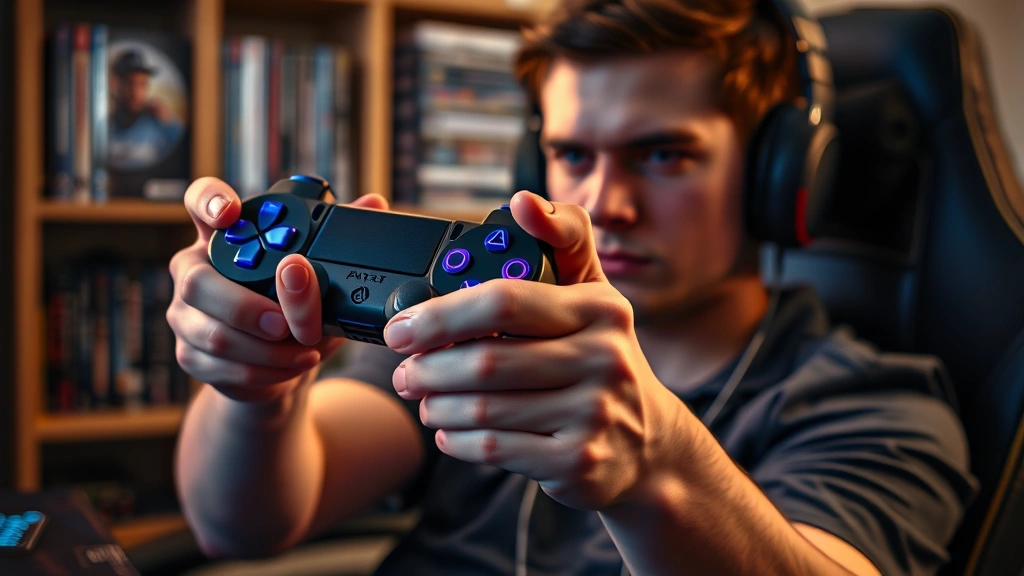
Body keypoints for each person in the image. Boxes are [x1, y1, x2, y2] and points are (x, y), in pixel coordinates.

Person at [169, 0, 977, 574]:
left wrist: (658, 468)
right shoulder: (465, 326)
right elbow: (239, 527)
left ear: (777, 178)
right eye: (572, 155)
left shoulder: (874, 408)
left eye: (664, 155)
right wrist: (257, 390)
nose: (604, 203)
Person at [109, 49, 183, 170]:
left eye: (142, 84)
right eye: (130, 83)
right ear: (116, 84)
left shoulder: (160, 126)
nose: (136, 93)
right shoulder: (103, 127)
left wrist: (169, 121)